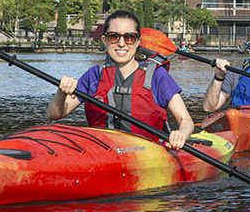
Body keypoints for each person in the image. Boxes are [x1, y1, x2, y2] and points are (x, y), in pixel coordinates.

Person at [47, 10, 194, 150]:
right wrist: (61, 92)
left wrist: (181, 134)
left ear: (137, 42)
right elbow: (54, 115)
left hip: (148, 152)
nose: (121, 43)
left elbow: (185, 120)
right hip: (102, 151)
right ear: (104, 40)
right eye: (113, 36)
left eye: (129, 37)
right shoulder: (94, 75)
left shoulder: (157, 75)